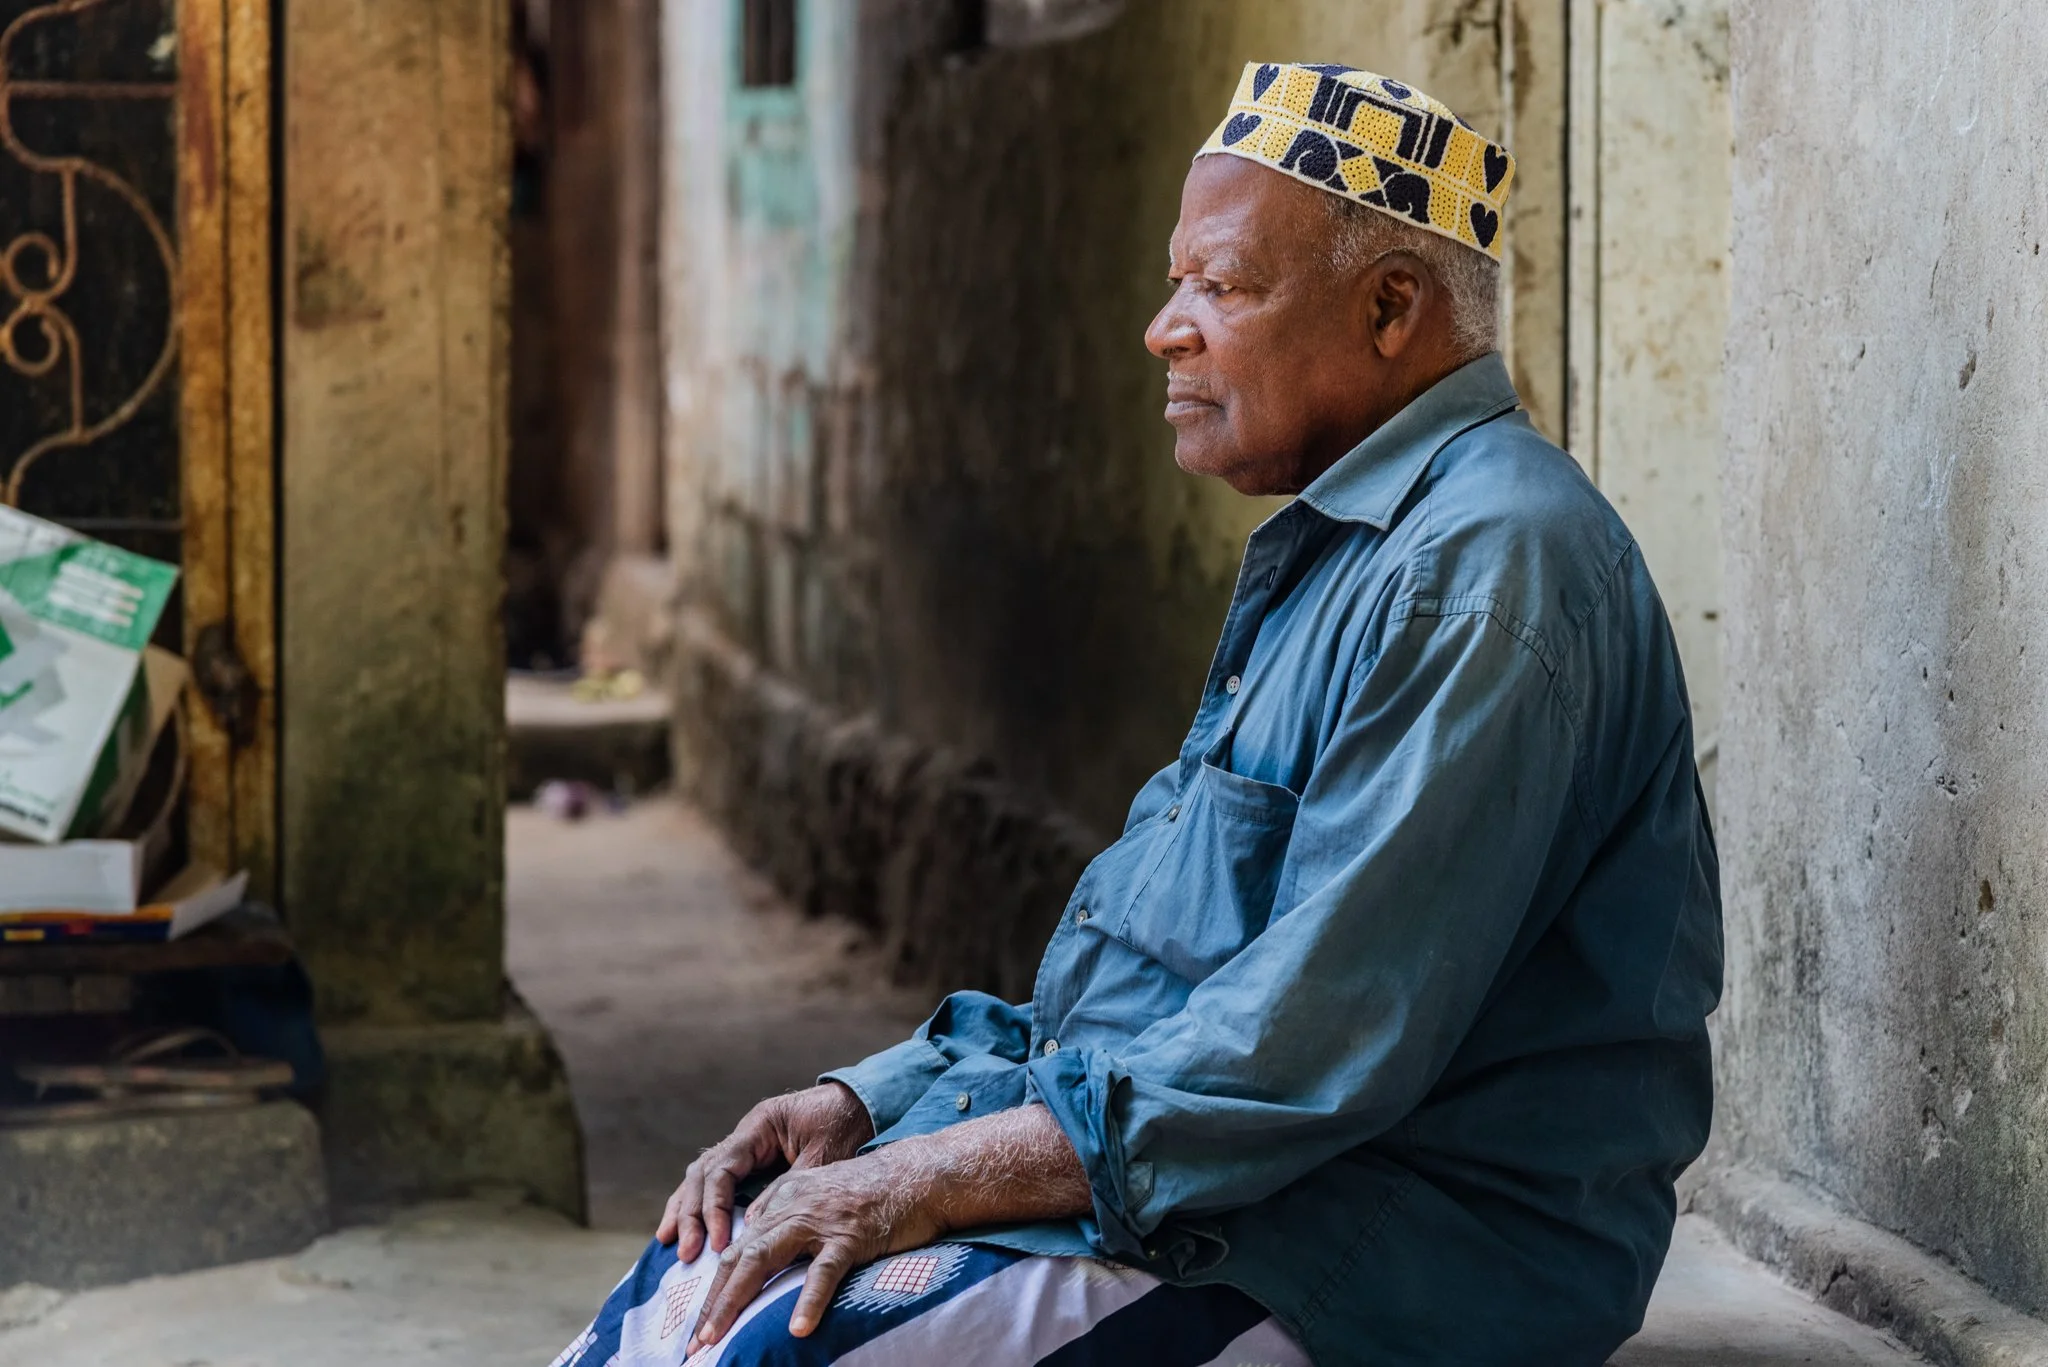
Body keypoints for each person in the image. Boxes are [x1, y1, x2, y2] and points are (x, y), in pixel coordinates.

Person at [551, 61, 1720, 1367]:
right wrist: (874, 1104)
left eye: (1219, 286)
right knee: (692, 1275)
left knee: (770, 1346)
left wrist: (921, 1179)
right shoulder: (1347, 550)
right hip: (1246, 1198)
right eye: (1179, 282)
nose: (1167, 328)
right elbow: (1139, 1001)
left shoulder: (1485, 566)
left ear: (1392, 306)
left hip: (1390, 1254)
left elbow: (1297, 1051)